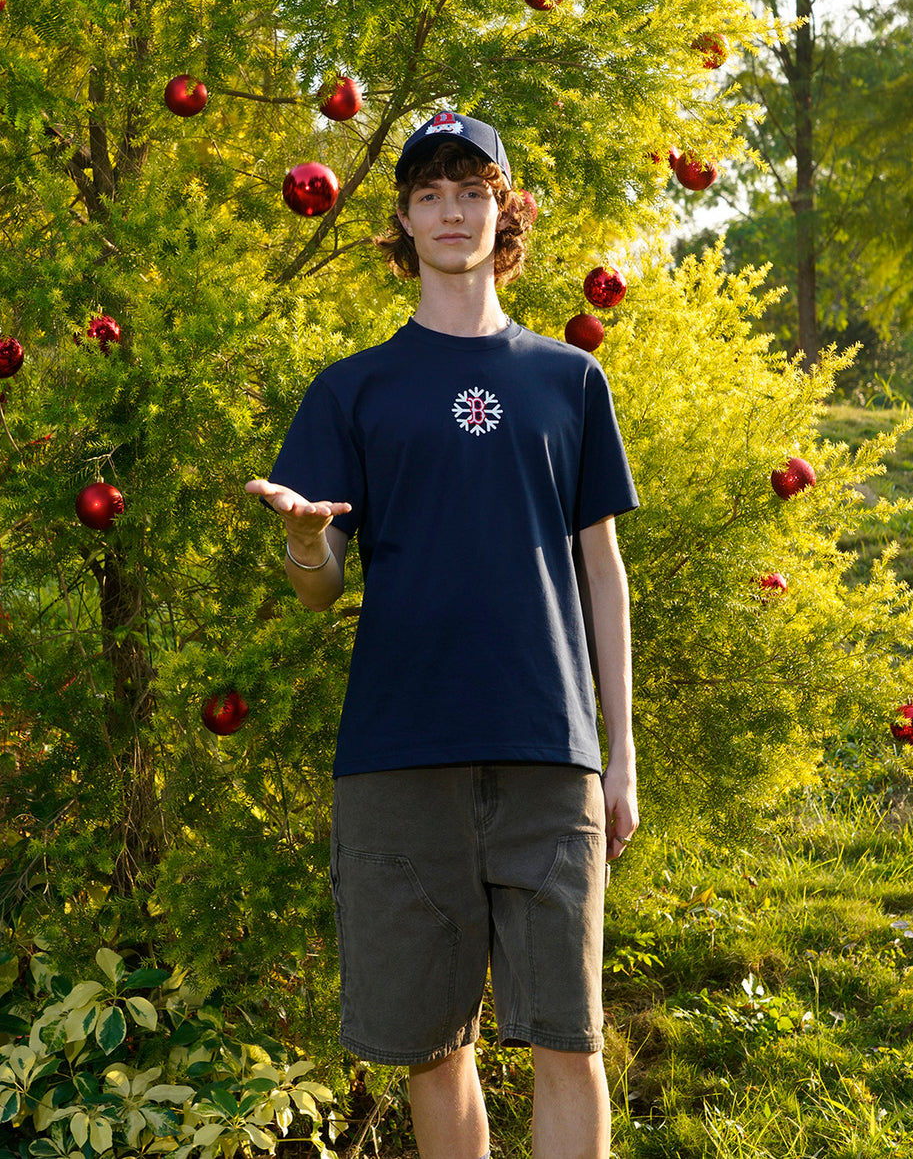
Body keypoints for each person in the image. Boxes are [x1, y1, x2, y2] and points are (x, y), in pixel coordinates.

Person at [245, 111, 639, 1159]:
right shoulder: (354, 389)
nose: (452, 211)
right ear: (404, 221)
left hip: (549, 754)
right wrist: (300, 543)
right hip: (398, 755)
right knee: (434, 1049)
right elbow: (320, 589)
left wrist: (621, 756)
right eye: (429, 194)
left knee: (571, 1041)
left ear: (506, 209)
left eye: (472, 190)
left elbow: (601, 570)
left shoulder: (570, 381)